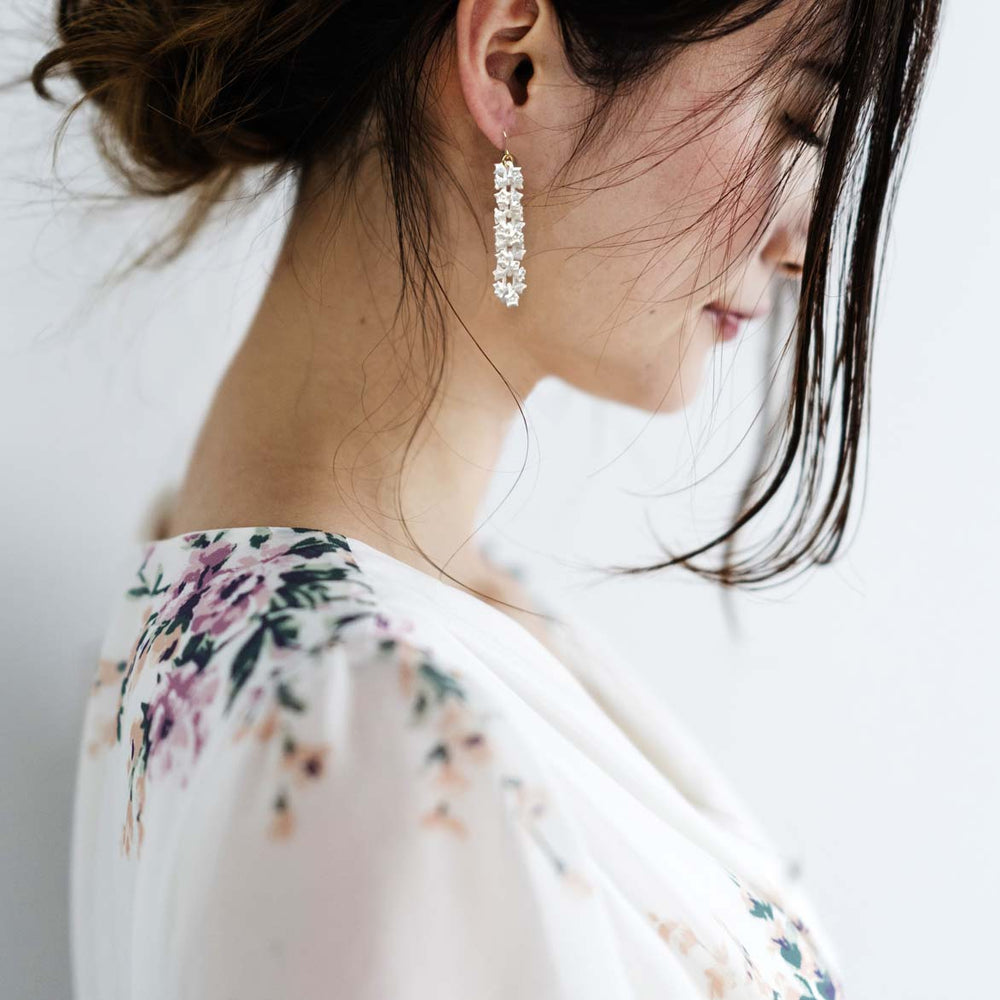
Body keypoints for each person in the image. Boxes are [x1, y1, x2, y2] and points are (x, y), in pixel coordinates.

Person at [24, 0, 939, 996]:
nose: (803, 244)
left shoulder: (322, 613)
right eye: (799, 124)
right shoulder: (378, 733)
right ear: (514, 69)